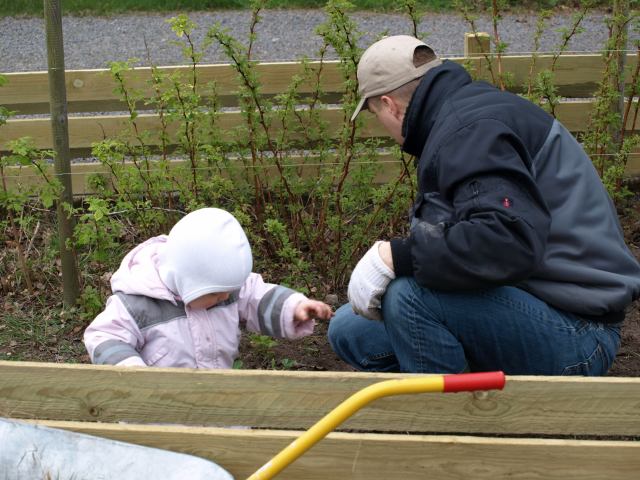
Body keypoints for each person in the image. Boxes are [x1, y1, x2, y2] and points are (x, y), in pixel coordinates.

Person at [328, 35, 640, 375]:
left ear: (391, 105)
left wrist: (397, 257)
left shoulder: (471, 130)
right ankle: (474, 385)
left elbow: (507, 239)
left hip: (578, 331)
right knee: (350, 329)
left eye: (376, 114)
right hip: (527, 301)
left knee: (410, 296)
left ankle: (451, 408)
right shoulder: (462, 119)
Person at [84, 207, 333, 368]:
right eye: (214, 293)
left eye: (229, 291)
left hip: (217, 399)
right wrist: (131, 372)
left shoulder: (222, 288)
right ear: (185, 282)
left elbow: (255, 296)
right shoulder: (137, 304)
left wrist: (294, 307)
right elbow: (104, 336)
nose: (225, 297)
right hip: (157, 411)